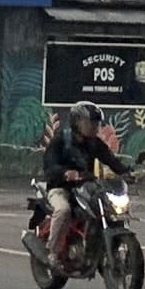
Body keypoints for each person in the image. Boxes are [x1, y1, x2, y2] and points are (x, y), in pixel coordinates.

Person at [36, 101, 127, 258]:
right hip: (60, 187)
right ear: (77, 123)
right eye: (90, 122)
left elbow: (111, 160)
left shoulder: (94, 143)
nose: (94, 126)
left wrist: (127, 173)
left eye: (96, 123)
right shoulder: (60, 140)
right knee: (64, 210)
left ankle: (99, 246)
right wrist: (65, 173)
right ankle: (52, 253)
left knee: (107, 208)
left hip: (86, 186)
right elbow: (49, 166)